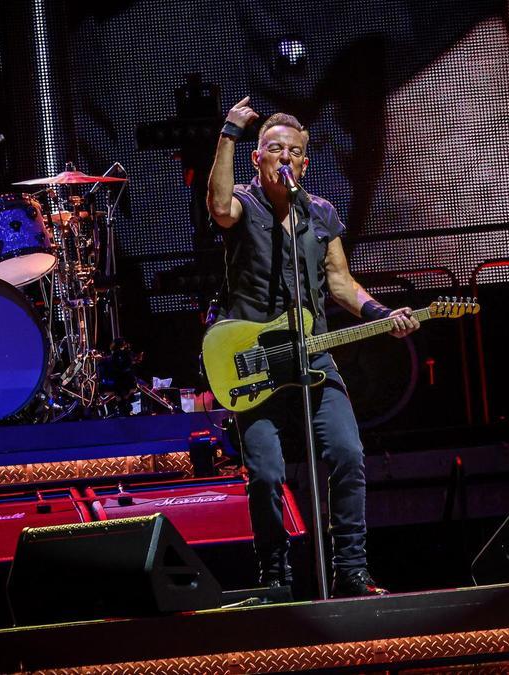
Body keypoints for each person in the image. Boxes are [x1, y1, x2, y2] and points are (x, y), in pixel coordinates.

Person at [207, 97, 420, 598]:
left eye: (293, 151)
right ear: (258, 157)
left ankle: (351, 570)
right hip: (254, 361)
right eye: (273, 148)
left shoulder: (319, 213)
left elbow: (341, 283)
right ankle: (276, 575)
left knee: (347, 454)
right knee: (265, 474)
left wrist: (382, 316)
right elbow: (218, 209)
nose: (284, 156)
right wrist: (229, 133)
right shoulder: (244, 200)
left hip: (314, 357)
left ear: (305, 162)